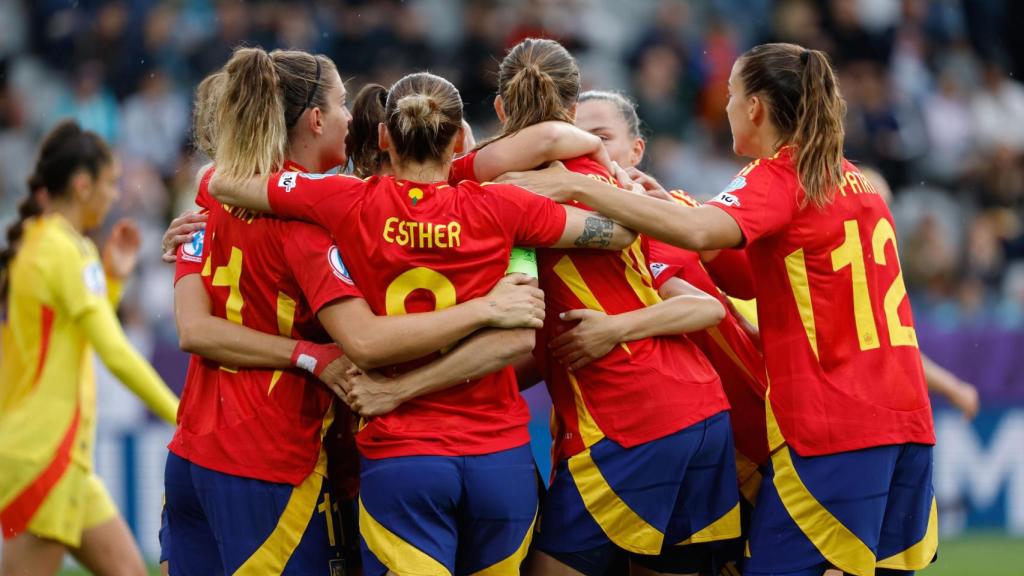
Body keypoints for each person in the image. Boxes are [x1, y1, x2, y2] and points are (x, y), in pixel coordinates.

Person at [503, 43, 938, 576]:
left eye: (730, 95)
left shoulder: (778, 174)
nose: (725, 106)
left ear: (754, 107)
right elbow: (743, 275)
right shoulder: (855, 182)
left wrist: (572, 184)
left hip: (835, 426)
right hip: (907, 420)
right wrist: (669, 204)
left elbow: (702, 235)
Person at [208, 68, 638, 575]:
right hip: (500, 459)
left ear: (385, 136)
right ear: (459, 137)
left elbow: (225, 183)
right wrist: (606, 181)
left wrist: (195, 221)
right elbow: (617, 232)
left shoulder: (347, 199)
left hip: (404, 456)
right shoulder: (504, 205)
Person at [164, 50, 550, 576]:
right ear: (317, 119)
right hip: (272, 456)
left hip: (192, 452)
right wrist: (311, 357)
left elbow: (194, 328)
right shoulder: (309, 228)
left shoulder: (211, 208)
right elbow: (364, 341)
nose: (350, 116)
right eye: (342, 103)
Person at [453, 38, 740, 576]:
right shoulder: (614, 181)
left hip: (628, 414)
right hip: (701, 408)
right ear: (571, 105)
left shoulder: (493, 187)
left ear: (499, 109)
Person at [0, 121, 179, 576]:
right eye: (111, 182)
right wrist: (183, 415)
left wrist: (113, 279)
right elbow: (113, 349)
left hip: (64, 462)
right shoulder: (64, 250)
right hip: (45, 455)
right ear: (82, 186)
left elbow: (73, 336)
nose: (115, 193)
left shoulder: (43, 244)